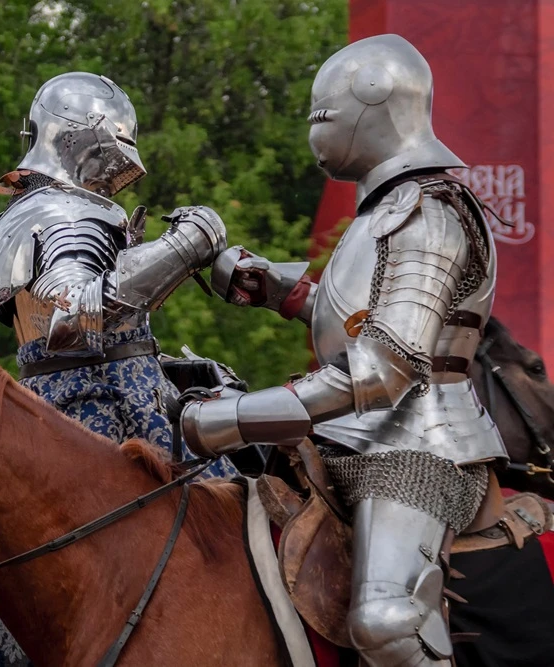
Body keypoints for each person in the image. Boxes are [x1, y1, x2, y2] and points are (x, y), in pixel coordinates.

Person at [181, 34, 502, 666]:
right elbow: (358, 319)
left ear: (376, 96)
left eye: (321, 110)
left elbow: (387, 368)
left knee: (385, 623)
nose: (314, 123)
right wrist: (280, 290)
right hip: (347, 432)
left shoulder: (430, 210)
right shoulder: (383, 212)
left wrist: (227, 418)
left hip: (417, 446)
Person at [0, 71, 236, 478]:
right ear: (84, 136)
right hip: (111, 416)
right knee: (232, 512)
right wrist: (189, 242)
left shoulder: (20, 215)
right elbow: (72, 316)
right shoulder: (70, 212)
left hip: (42, 405)